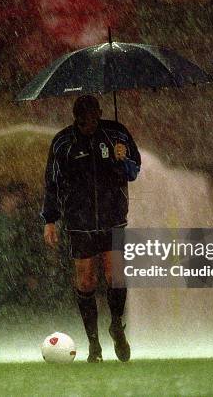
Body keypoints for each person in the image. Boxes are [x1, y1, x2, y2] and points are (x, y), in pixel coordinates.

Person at [41, 95, 141, 363]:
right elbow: (52, 182)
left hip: (113, 217)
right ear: (76, 119)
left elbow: (134, 171)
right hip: (79, 222)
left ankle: (117, 325)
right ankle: (93, 344)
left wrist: (123, 159)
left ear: (100, 113)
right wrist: (50, 219)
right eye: (84, 123)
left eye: (94, 120)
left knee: (115, 273)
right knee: (86, 280)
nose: (90, 126)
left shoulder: (117, 134)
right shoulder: (63, 143)